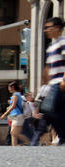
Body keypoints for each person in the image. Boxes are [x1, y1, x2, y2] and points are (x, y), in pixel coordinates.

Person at [42, 17, 65, 145]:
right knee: (59, 111)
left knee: (48, 109)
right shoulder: (51, 46)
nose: (46, 30)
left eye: (48, 27)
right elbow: (48, 66)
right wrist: (45, 81)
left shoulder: (63, 42)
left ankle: (63, 136)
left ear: (57, 28)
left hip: (60, 82)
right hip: (53, 84)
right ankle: (62, 137)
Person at [0, 82, 30, 146]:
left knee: (14, 133)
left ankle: (27, 142)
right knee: (12, 133)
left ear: (13, 87)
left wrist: (4, 114)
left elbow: (13, 106)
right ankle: (14, 146)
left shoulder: (15, 95)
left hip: (18, 116)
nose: (8, 89)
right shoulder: (16, 95)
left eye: (9, 87)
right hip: (14, 116)